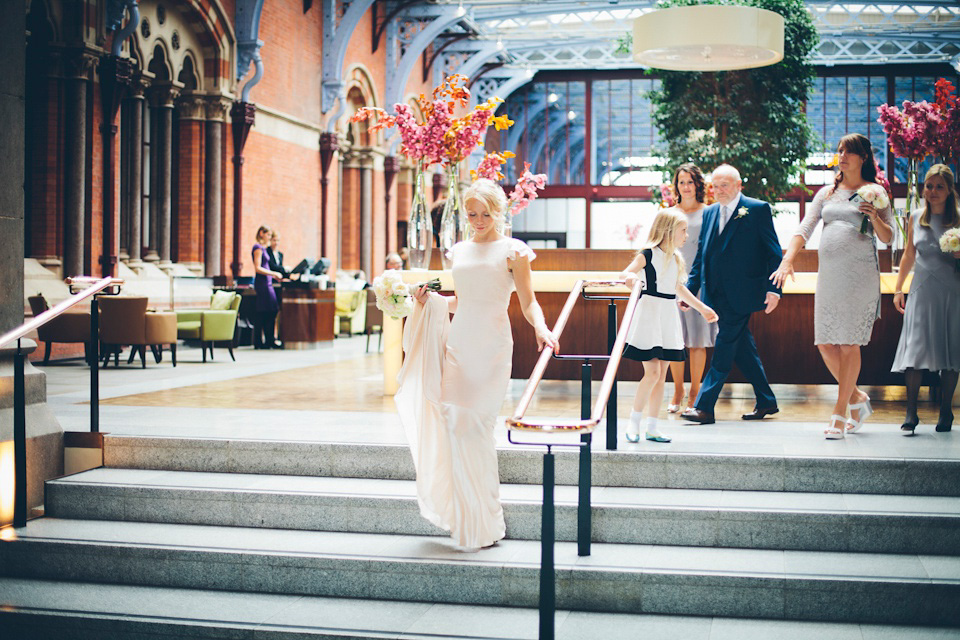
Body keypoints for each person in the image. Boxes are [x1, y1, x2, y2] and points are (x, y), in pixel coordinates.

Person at [395, 178, 558, 550]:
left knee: (477, 429)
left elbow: (528, 301)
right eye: (472, 214)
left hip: (492, 349)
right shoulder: (459, 251)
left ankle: (484, 522)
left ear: (498, 211)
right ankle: (465, 520)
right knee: (454, 424)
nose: (479, 220)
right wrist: (430, 300)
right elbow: (462, 302)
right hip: (459, 345)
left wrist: (543, 328)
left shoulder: (514, 251)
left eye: (486, 213)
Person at [772, 134, 893, 439]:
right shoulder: (827, 193)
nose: (842, 156)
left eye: (849, 152)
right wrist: (788, 261)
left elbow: (890, 237)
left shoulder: (876, 192)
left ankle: (840, 413)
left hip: (860, 275)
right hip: (830, 276)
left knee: (849, 343)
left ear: (863, 157)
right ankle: (857, 397)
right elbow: (805, 228)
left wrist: (875, 218)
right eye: (840, 151)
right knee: (826, 343)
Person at [680, 164, 783, 425]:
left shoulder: (757, 209)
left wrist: (775, 289)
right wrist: (690, 292)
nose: (719, 190)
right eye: (715, 185)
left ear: (739, 185)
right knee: (742, 349)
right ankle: (766, 400)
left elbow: (773, 253)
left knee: (724, 348)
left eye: (725, 184)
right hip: (714, 294)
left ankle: (704, 407)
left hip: (743, 293)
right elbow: (701, 257)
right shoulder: (711, 212)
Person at [620, 208, 718, 443]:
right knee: (652, 372)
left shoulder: (675, 258)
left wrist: (702, 308)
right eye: (683, 231)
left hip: (667, 315)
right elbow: (627, 273)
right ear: (669, 231)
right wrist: (632, 279)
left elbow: (678, 288)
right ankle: (633, 422)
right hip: (649, 314)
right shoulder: (647, 254)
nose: (686, 235)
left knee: (661, 374)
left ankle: (652, 427)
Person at [891, 164, 960, 435]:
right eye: (929, 186)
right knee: (915, 351)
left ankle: (946, 410)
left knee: (949, 351)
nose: (932, 191)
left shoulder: (958, 219)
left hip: (951, 293)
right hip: (921, 290)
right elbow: (909, 254)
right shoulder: (916, 217)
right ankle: (911, 412)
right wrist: (899, 289)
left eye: (939, 186)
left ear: (949, 190)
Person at [664, 163, 718, 414]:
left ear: (698, 184)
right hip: (673, 282)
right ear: (676, 186)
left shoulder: (709, 212)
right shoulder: (669, 213)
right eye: (681, 182)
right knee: (675, 340)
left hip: (700, 284)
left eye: (689, 181)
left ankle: (695, 390)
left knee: (698, 340)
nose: (685, 187)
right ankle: (678, 389)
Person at [251, 225, 284, 349]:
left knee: (268, 311)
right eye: (268, 235)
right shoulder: (258, 248)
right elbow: (257, 267)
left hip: (268, 282)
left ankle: (266, 341)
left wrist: (275, 276)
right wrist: (273, 273)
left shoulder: (264, 248)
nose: (270, 238)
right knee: (268, 310)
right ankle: (262, 341)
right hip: (262, 283)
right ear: (261, 233)